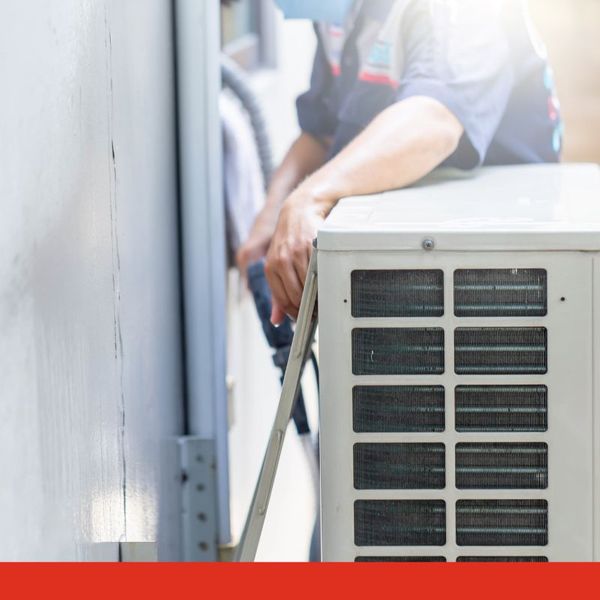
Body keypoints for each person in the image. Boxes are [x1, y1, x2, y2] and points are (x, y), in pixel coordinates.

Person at [236, 0, 563, 324]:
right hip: (407, 266)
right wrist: (273, 215)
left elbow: (434, 121)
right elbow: (321, 133)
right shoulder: (339, 15)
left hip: (498, 270)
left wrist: (309, 197)